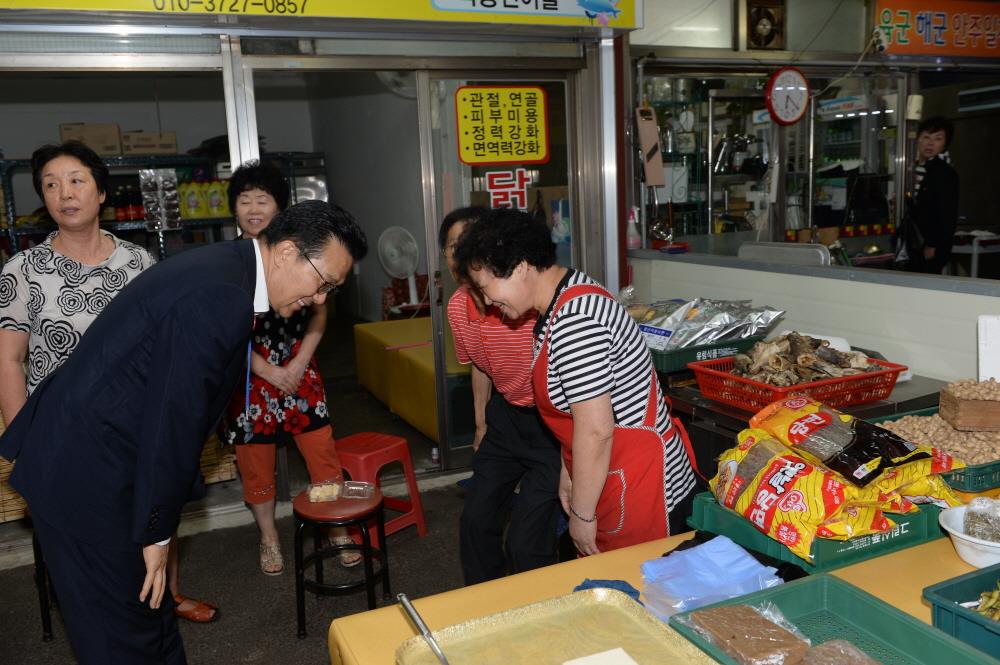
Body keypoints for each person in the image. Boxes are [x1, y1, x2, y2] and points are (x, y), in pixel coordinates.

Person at [0, 198, 367, 665]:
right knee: (121, 636)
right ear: (288, 252)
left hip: (105, 458)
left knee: (151, 617)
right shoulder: (220, 295)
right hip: (85, 476)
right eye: (324, 284)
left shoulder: (228, 271)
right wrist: (156, 536)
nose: (319, 300)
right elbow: (173, 422)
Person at [0, 141, 217, 624]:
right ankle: (102, 613)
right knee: (89, 542)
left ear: (101, 194)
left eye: (76, 180)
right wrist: (25, 447)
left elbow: (165, 351)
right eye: (51, 184)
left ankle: (167, 595)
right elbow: (10, 361)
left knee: (154, 510)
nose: (65, 193)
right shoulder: (22, 271)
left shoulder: (137, 265)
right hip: (60, 433)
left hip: (132, 425)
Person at [454, 207, 699, 556]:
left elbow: (596, 430)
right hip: (611, 474)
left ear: (520, 267)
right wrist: (569, 475)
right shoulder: (560, 302)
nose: (487, 302)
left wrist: (582, 516)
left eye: (486, 287)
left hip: (642, 483)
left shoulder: (575, 320)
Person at [219, 161, 357, 575]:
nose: (254, 208)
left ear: (281, 208)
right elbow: (223, 331)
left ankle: (338, 531)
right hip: (248, 378)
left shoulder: (301, 255)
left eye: (263, 199)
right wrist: (265, 370)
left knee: (322, 455)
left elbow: (318, 315)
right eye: (245, 200)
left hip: (300, 371)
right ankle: (269, 538)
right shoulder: (231, 262)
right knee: (255, 464)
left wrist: (297, 363)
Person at [441, 206, 561, 585]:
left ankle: (539, 611)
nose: (460, 253)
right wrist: (480, 423)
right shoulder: (458, 308)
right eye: (452, 245)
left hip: (549, 422)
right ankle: (486, 603)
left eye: (469, 243)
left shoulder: (522, 301)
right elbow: (480, 366)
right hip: (504, 418)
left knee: (527, 542)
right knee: (475, 521)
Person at [910, 116, 959, 274]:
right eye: (926, 137)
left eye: (938, 139)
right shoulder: (913, 168)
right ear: (918, 139)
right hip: (913, 242)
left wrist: (932, 245)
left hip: (930, 245)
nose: (930, 143)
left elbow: (946, 213)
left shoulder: (944, 173)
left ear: (945, 144)